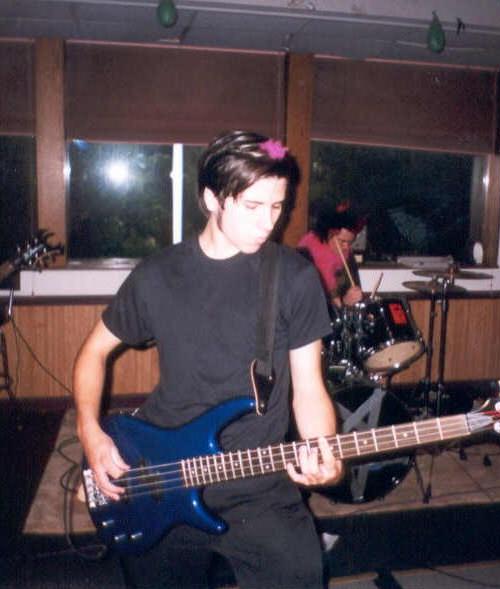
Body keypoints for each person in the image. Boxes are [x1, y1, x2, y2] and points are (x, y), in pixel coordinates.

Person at [73, 130, 343, 589]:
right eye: (252, 207)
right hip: (160, 477)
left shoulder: (294, 278)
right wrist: (90, 431)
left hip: (258, 483)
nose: (268, 223)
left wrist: (325, 451)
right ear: (212, 199)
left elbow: (309, 388)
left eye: (277, 207)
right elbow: (93, 352)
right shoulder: (157, 275)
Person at [297, 205, 364, 308]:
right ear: (329, 234)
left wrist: (353, 300)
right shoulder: (305, 255)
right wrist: (343, 302)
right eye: (342, 241)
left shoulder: (348, 257)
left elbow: (353, 293)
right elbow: (305, 302)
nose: (346, 247)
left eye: (350, 242)